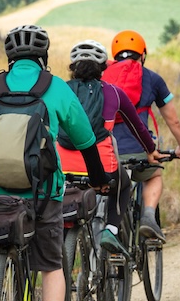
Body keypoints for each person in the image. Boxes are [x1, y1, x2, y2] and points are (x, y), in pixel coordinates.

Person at [0, 24, 110, 301]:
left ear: (10, 58)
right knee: (51, 265)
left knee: (0, 229)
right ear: (44, 57)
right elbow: (84, 139)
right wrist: (98, 179)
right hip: (43, 193)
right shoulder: (55, 87)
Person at [56, 40, 160, 255]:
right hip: (102, 166)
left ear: (72, 67)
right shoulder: (113, 93)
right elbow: (137, 127)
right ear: (104, 67)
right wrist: (150, 150)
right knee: (123, 186)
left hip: (63, 165)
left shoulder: (60, 90)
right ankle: (110, 230)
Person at [104, 29, 180, 242]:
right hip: (140, 150)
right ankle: (147, 217)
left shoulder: (103, 77)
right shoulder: (153, 79)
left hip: (106, 151)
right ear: (143, 54)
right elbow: (173, 120)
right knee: (154, 176)